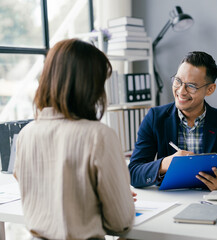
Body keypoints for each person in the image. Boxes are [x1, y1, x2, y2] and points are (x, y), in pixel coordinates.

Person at [14, 39, 135, 240]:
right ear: (90, 86)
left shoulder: (26, 134)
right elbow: (120, 223)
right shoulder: (99, 135)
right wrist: (118, 201)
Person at [128, 51, 217, 191]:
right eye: (178, 81)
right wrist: (166, 163)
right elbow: (133, 173)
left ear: (210, 89)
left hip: (211, 202)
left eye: (191, 86)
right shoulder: (155, 118)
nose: (181, 91)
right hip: (169, 201)